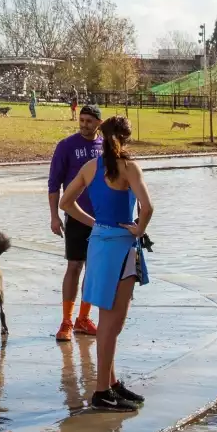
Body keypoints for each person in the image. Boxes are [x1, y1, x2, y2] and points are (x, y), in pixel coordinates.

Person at [58, 116, 154, 412]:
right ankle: (101, 391)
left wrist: (94, 222)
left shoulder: (90, 168)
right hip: (121, 249)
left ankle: (111, 383)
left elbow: (65, 203)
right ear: (126, 138)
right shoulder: (129, 168)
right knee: (113, 325)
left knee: (107, 321)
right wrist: (138, 228)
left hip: (98, 245)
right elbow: (148, 207)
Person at [48, 105, 105, 343]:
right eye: (81, 120)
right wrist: (54, 216)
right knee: (74, 266)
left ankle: (84, 318)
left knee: (93, 270)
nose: (84, 124)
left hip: (102, 219)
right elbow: (54, 183)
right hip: (76, 216)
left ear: (98, 123)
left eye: (89, 121)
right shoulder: (66, 146)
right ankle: (67, 321)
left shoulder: (105, 147)